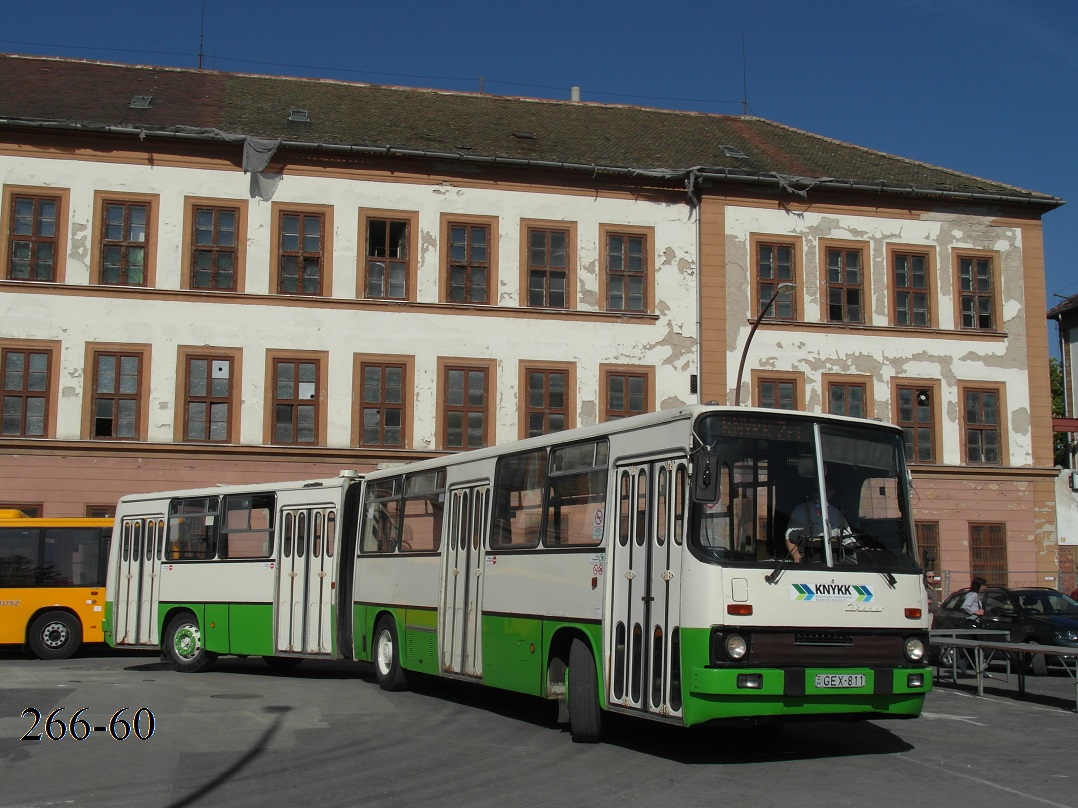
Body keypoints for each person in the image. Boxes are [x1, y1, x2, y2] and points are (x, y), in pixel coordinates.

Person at [784, 479, 849, 563]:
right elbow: (789, 538)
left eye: (823, 490)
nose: (819, 493)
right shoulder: (801, 510)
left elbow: (848, 539)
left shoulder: (837, 513)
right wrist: (797, 559)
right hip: (809, 557)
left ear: (831, 493)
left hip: (834, 558)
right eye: (816, 490)